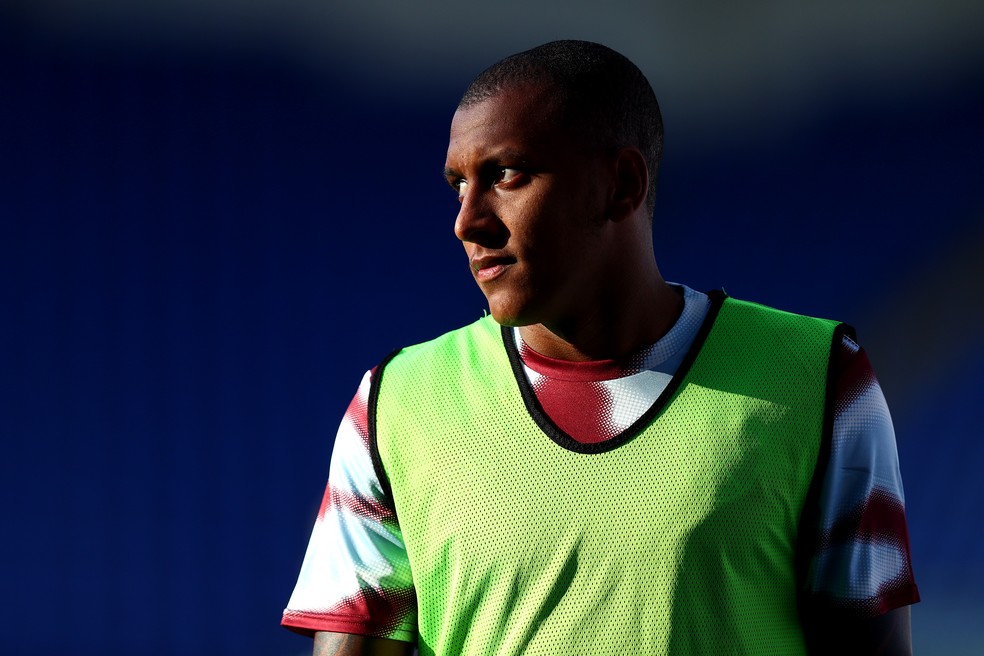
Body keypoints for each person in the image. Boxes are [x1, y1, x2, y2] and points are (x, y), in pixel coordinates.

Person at [282, 40, 919, 655]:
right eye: (457, 184)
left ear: (621, 184)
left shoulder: (818, 377)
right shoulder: (394, 404)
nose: (466, 221)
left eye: (506, 175)